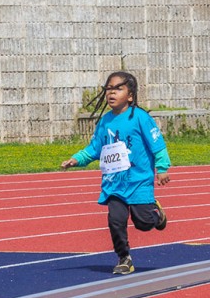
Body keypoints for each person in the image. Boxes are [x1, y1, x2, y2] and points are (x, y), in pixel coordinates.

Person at [61, 71, 171, 275]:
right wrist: (76, 159)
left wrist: (162, 168)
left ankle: (157, 215)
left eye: (118, 89)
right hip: (114, 184)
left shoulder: (140, 118)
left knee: (144, 223)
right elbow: (94, 149)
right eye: (109, 89)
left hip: (138, 182)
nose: (111, 93)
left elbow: (158, 145)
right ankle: (124, 258)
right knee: (115, 221)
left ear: (130, 96)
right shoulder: (105, 122)